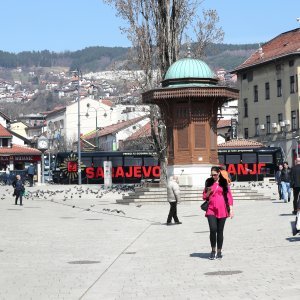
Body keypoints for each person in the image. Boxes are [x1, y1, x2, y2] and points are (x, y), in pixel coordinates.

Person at [202, 166, 234, 260]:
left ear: (219, 173)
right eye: (212, 175)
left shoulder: (224, 183)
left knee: (220, 231)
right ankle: (213, 250)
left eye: (215, 175)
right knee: (213, 229)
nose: (213, 176)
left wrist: (231, 209)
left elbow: (229, 196)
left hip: (222, 209)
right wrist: (208, 192)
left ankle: (219, 251)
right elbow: (204, 196)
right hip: (211, 209)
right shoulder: (209, 182)